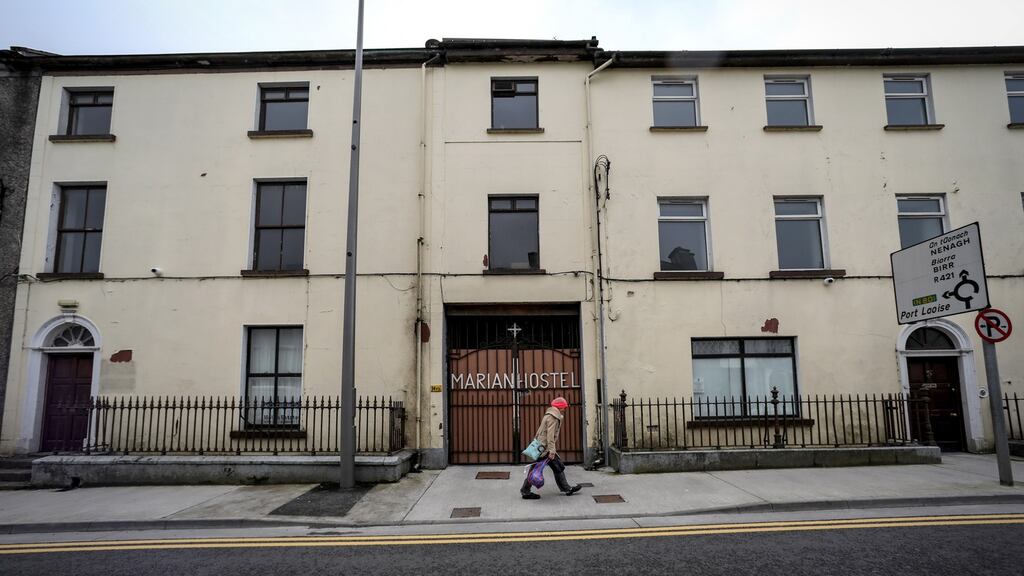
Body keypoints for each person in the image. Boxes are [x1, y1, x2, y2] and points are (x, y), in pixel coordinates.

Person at [521, 396, 583, 499]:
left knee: (555, 467)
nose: (565, 409)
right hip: (546, 449)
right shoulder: (554, 417)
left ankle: (566, 488)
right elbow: (550, 436)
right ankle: (525, 491)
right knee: (542, 469)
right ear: (560, 407)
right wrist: (552, 450)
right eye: (564, 407)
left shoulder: (549, 414)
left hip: (542, 447)